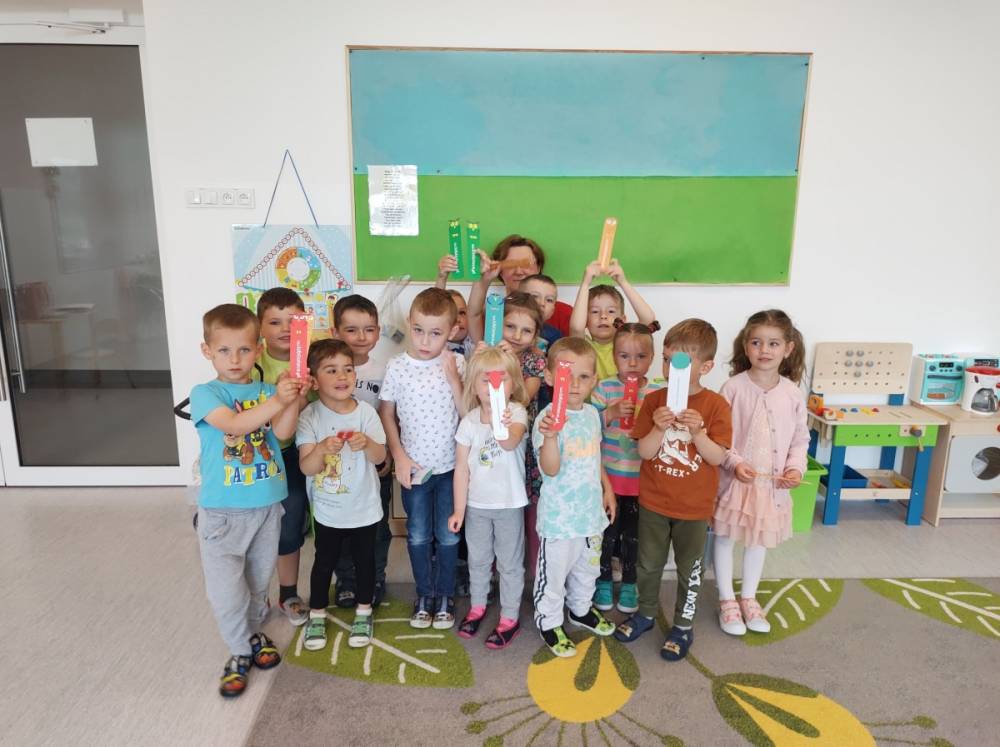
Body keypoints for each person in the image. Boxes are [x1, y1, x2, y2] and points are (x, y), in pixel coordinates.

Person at [191, 304, 304, 697]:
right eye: (224, 350)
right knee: (226, 593)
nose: (235, 359)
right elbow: (236, 425)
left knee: (257, 585)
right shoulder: (206, 394)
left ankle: (254, 634)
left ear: (258, 350)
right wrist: (277, 400)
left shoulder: (266, 392)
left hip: (266, 507)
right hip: (222, 513)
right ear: (207, 351)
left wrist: (292, 397)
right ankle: (240, 651)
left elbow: (283, 434)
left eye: (243, 350)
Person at [614, 319, 733, 663]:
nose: (669, 368)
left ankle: (682, 625)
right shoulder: (654, 401)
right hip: (654, 502)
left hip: (694, 508)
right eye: (666, 360)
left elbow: (717, 457)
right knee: (648, 564)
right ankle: (646, 613)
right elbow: (645, 452)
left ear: (705, 367)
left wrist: (698, 433)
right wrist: (656, 427)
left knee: (689, 569)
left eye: (679, 362)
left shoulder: (716, 405)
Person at [713, 310, 808, 636]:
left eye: (773, 343)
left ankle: (749, 598)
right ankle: (727, 600)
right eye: (756, 342)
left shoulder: (792, 393)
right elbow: (719, 436)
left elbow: (800, 439)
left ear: (788, 348)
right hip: (735, 484)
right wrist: (734, 462)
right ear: (746, 346)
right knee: (725, 538)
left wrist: (795, 468)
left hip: (770, 488)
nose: (764, 350)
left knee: (758, 542)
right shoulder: (732, 388)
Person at [379, 288, 465, 628]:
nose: (425, 341)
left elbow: (467, 414)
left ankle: (445, 595)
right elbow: (387, 413)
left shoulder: (457, 362)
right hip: (413, 469)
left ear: (452, 331)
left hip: (452, 469)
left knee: (448, 536)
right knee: (417, 535)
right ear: (409, 323)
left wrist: (454, 379)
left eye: (436, 333)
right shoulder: (397, 366)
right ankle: (424, 594)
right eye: (418, 330)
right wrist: (399, 457)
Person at [297, 339, 387, 651]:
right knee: (324, 563)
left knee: (365, 561)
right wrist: (321, 449)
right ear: (314, 379)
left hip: (365, 507)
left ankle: (364, 611)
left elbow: (380, 458)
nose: (342, 376)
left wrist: (368, 445)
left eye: (347, 369)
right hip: (327, 509)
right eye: (331, 370)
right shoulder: (309, 416)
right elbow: (307, 467)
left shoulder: (366, 413)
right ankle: (317, 614)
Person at [531, 337, 617, 658]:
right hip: (559, 519)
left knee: (587, 570)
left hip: (590, 515)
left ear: (594, 379)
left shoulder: (592, 415)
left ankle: (580, 609)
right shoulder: (547, 420)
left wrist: (607, 489)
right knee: (553, 576)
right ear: (550, 377)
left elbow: (594, 457)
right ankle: (549, 621)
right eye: (568, 376)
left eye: (583, 377)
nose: (576, 384)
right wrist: (551, 438)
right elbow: (550, 469)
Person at [448, 347, 529, 648]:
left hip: (508, 505)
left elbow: (509, 443)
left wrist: (499, 420)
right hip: (476, 507)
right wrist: (459, 510)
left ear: (513, 384)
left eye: (500, 380)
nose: (493, 386)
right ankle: (478, 606)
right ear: (473, 385)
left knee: (509, 563)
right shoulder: (469, 422)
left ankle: (509, 617)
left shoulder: (516, 413)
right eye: (486, 380)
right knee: (479, 561)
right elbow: (461, 469)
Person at [590, 322, 664, 615]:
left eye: (641, 357)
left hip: (643, 481)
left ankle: (631, 583)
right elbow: (587, 427)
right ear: (614, 356)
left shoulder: (658, 390)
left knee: (636, 538)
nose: (632, 364)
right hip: (608, 480)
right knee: (606, 535)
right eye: (624, 356)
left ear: (652, 357)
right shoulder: (604, 387)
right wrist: (609, 412)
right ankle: (603, 580)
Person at [330, 294, 394, 609]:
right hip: (337, 464)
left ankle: (375, 576)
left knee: (376, 525)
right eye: (351, 330)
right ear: (335, 332)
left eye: (368, 330)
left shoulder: (385, 370)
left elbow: (389, 415)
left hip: (373, 461)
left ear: (378, 333)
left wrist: (388, 456)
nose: (360, 337)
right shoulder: (326, 372)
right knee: (339, 525)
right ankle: (346, 579)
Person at [253, 288, 312, 628]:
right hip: (256, 456)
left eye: (293, 321)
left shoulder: (310, 360)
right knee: (256, 528)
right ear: (259, 327)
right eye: (274, 322)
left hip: (293, 453)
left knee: (290, 523)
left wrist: (303, 394)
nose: (285, 329)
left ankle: (288, 593)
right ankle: (257, 594)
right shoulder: (251, 363)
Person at [569, 259, 657, 382]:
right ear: (586, 321)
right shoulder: (585, 347)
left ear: (622, 320)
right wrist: (585, 283)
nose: (603, 316)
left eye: (610, 311)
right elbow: (576, 327)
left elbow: (648, 319)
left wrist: (623, 281)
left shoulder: (629, 342)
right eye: (595, 311)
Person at [468, 235, 573, 336]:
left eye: (526, 264)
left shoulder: (564, 313)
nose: (518, 271)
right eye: (511, 264)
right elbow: (474, 317)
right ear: (500, 271)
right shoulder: (495, 310)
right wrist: (484, 279)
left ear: (539, 267)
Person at [518, 273, 562, 352]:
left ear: (552, 311)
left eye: (549, 300)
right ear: (518, 299)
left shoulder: (554, 335)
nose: (542, 303)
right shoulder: (503, 323)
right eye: (535, 296)